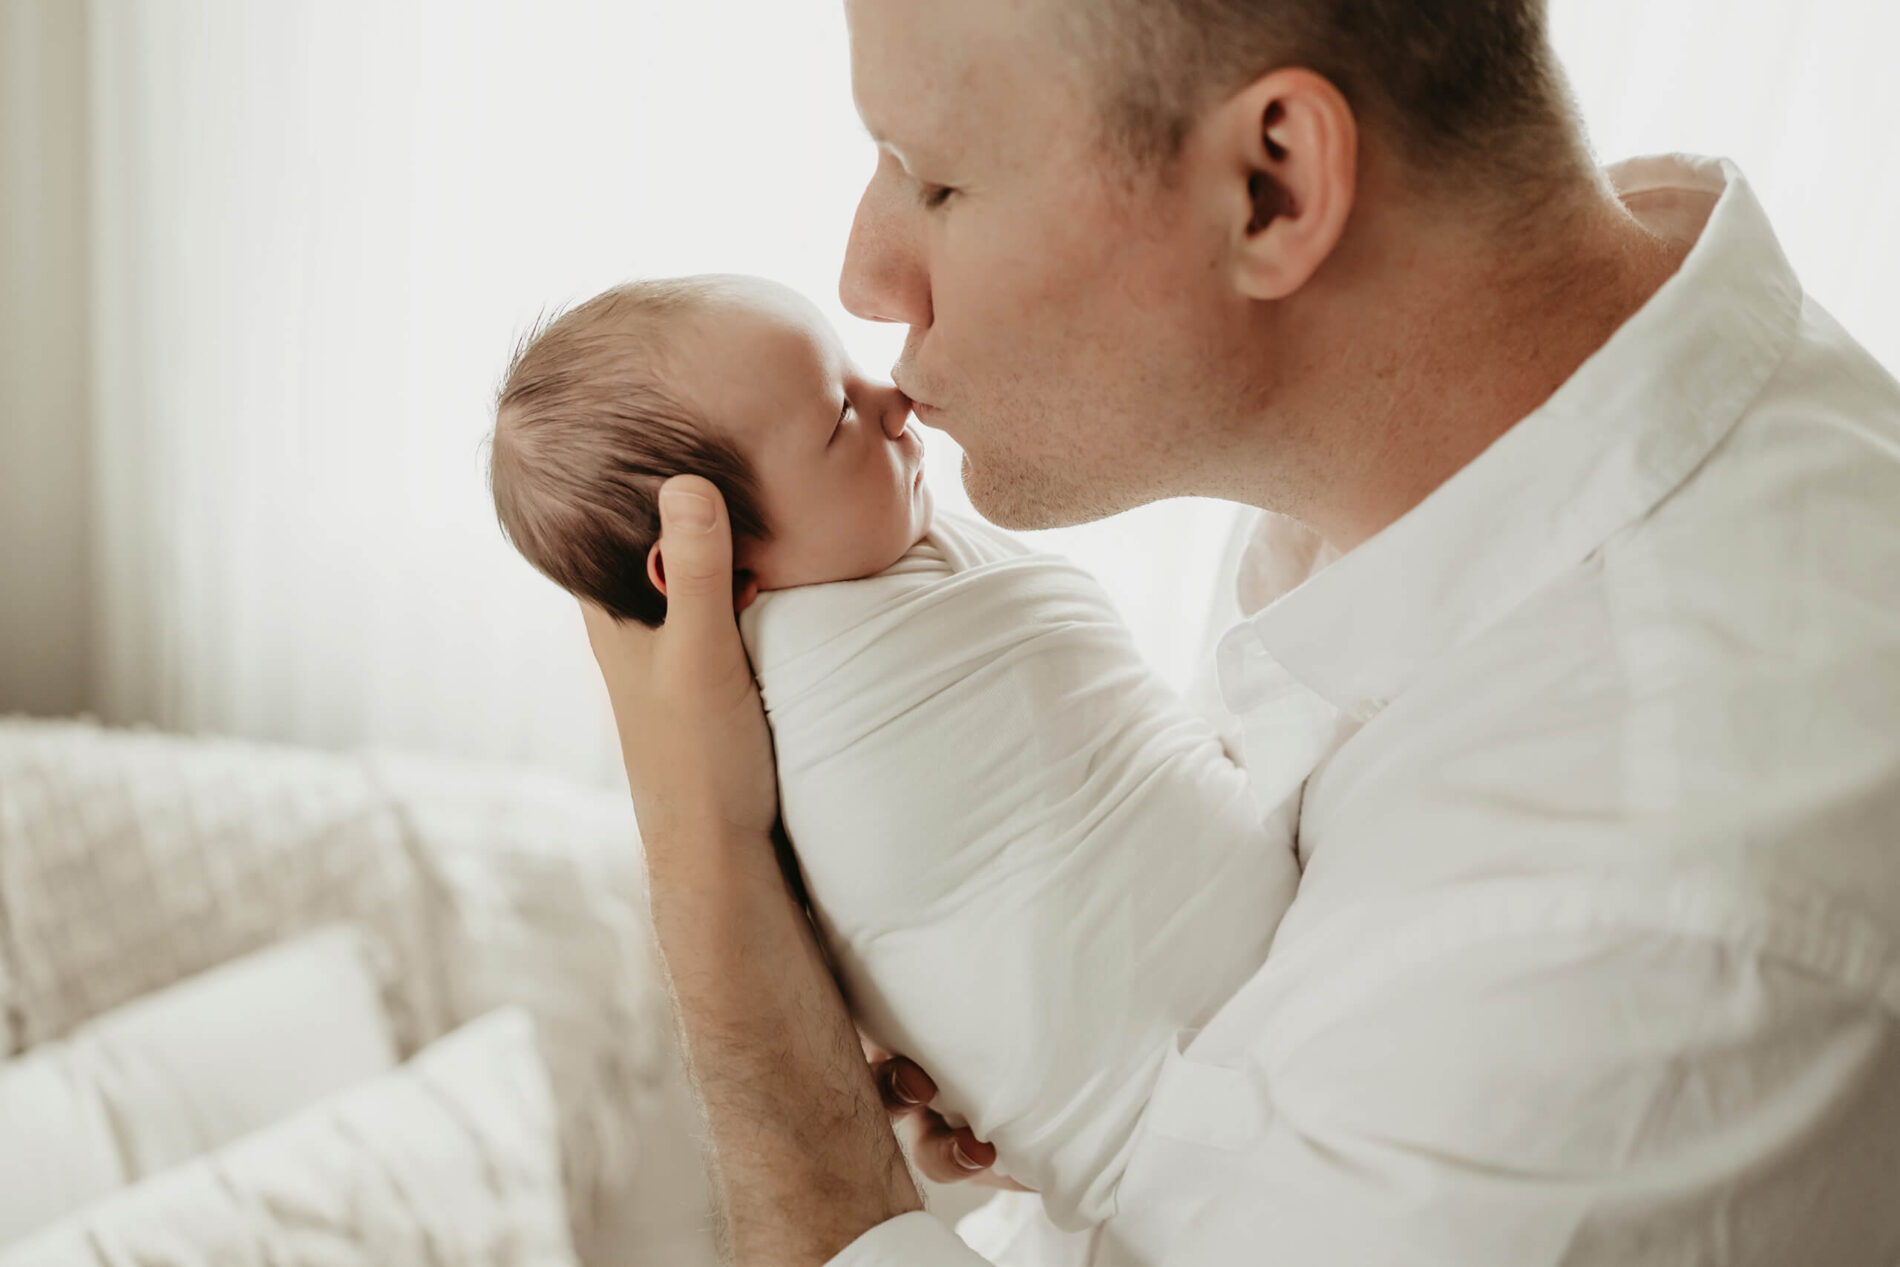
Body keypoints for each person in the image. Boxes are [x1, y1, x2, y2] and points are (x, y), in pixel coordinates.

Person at [580, 0, 1900, 1262]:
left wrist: (725, 935)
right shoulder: (1447, 434)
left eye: (933, 179)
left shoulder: (1632, 927)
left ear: (1269, 185)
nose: (865, 276)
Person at [488, 274, 1298, 1230]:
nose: (895, 400)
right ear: (718, 568)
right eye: (838, 418)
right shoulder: (797, 703)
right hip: (1187, 1111)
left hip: (1264, 1021)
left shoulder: (892, 570)